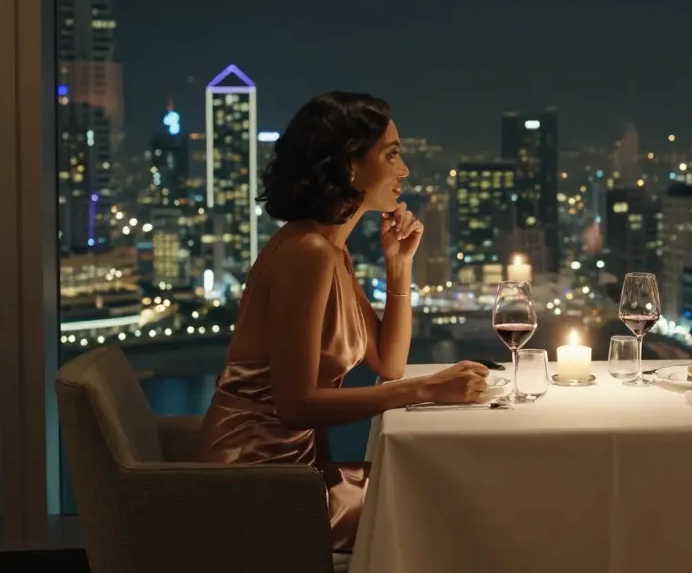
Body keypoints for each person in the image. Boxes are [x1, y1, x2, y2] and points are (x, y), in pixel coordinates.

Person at [196, 91, 490, 552]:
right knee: (440, 501)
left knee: (444, 491)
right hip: (256, 482)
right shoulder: (306, 253)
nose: (404, 170)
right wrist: (428, 389)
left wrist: (400, 266)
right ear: (350, 165)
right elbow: (295, 406)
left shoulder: (333, 249)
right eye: (392, 154)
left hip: (294, 472)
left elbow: (388, 363)